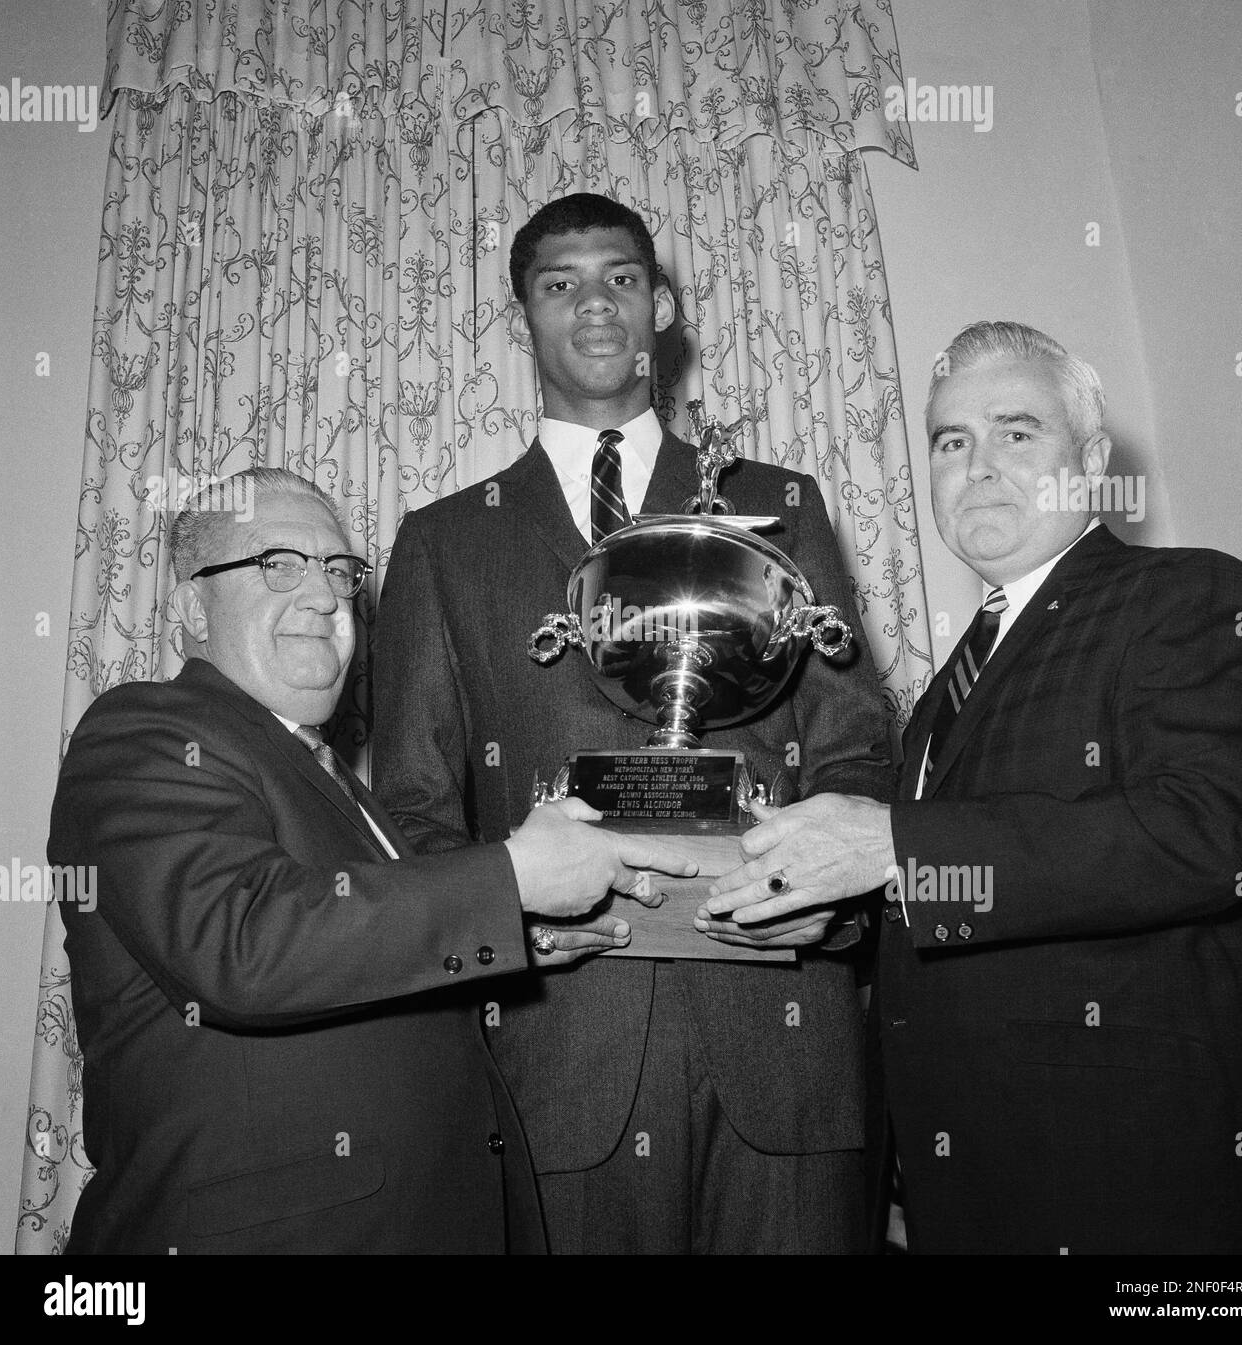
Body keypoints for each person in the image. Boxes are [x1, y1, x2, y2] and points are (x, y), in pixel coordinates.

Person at [373, 193, 894, 1254]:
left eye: (619, 277)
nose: (594, 305)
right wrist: (505, 929)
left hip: (784, 1041)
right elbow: (415, 807)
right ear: (523, 317)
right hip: (560, 1059)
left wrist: (827, 910)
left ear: (660, 305)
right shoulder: (441, 544)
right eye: (558, 285)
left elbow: (856, 747)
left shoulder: (778, 501)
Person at [705, 320, 1242, 1254]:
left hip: (1144, 1193)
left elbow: (1202, 836)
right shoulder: (940, 694)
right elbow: (972, 888)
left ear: (1093, 460)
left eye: (1017, 433)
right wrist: (842, 900)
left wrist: (893, 847)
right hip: (966, 1194)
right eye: (951, 441)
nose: (978, 466)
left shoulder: (1191, 594)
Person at [48, 467, 693, 1254]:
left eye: (338, 571)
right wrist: (512, 876)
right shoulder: (141, 734)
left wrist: (522, 926)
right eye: (277, 564)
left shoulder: (339, 786)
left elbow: (366, 950)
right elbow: (243, 942)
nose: (324, 596)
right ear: (190, 605)